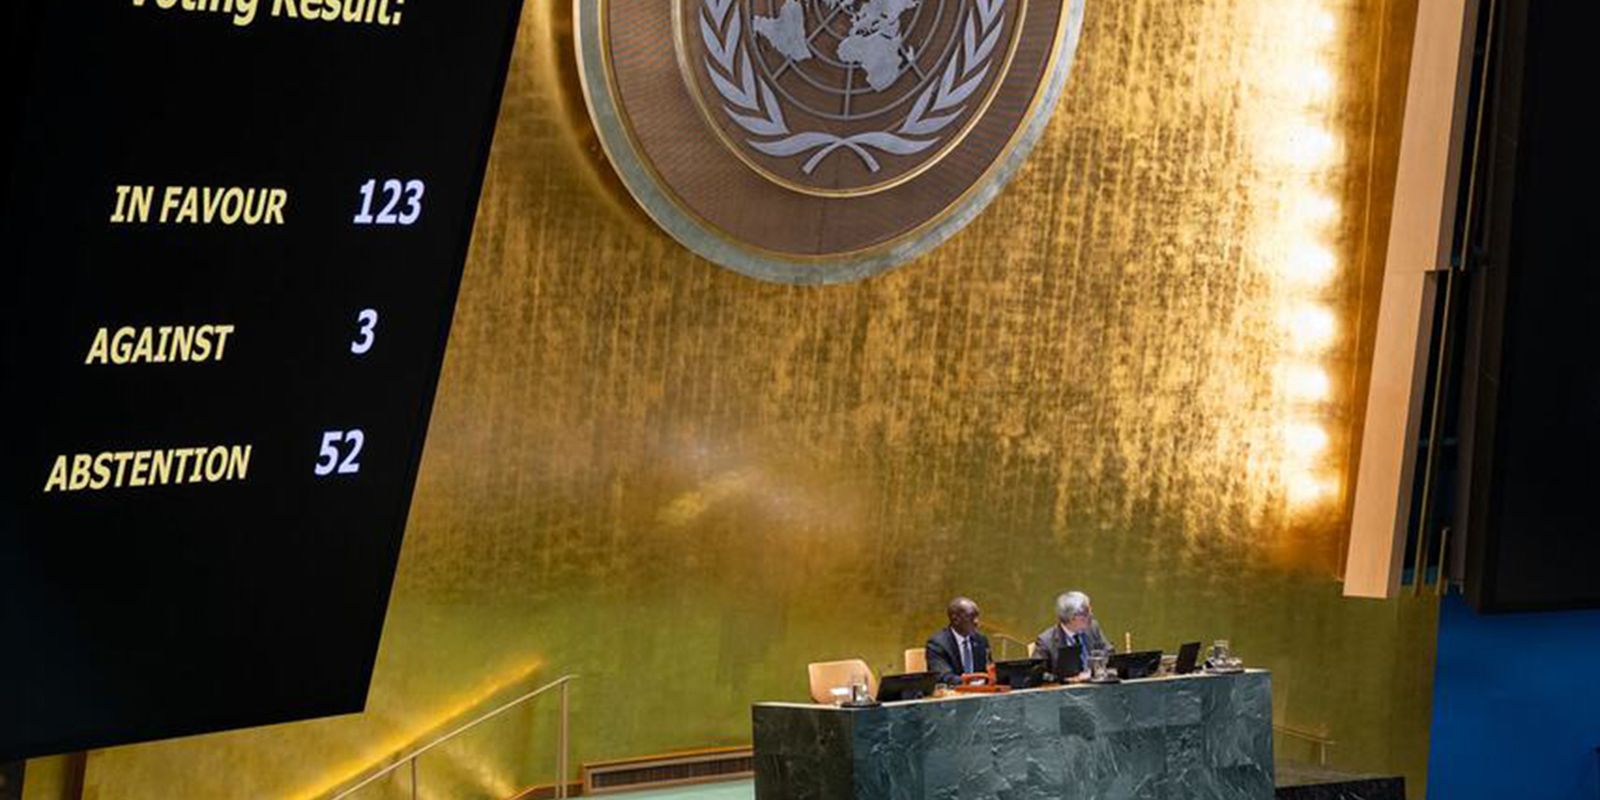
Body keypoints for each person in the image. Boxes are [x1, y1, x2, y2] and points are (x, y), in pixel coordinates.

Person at [1034, 591, 1109, 682]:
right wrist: (1064, 679)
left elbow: (1109, 651)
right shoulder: (1046, 641)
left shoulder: (1093, 628)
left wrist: (1097, 670)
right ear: (1071, 618)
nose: (1091, 615)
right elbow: (1039, 674)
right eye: (1086, 613)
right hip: (1066, 689)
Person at [925, 596, 991, 685]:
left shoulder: (981, 640)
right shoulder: (938, 644)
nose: (976, 622)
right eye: (970, 617)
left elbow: (989, 669)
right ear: (955, 620)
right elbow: (943, 676)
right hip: (954, 691)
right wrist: (967, 682)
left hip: (981, 691)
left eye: (977, 617)